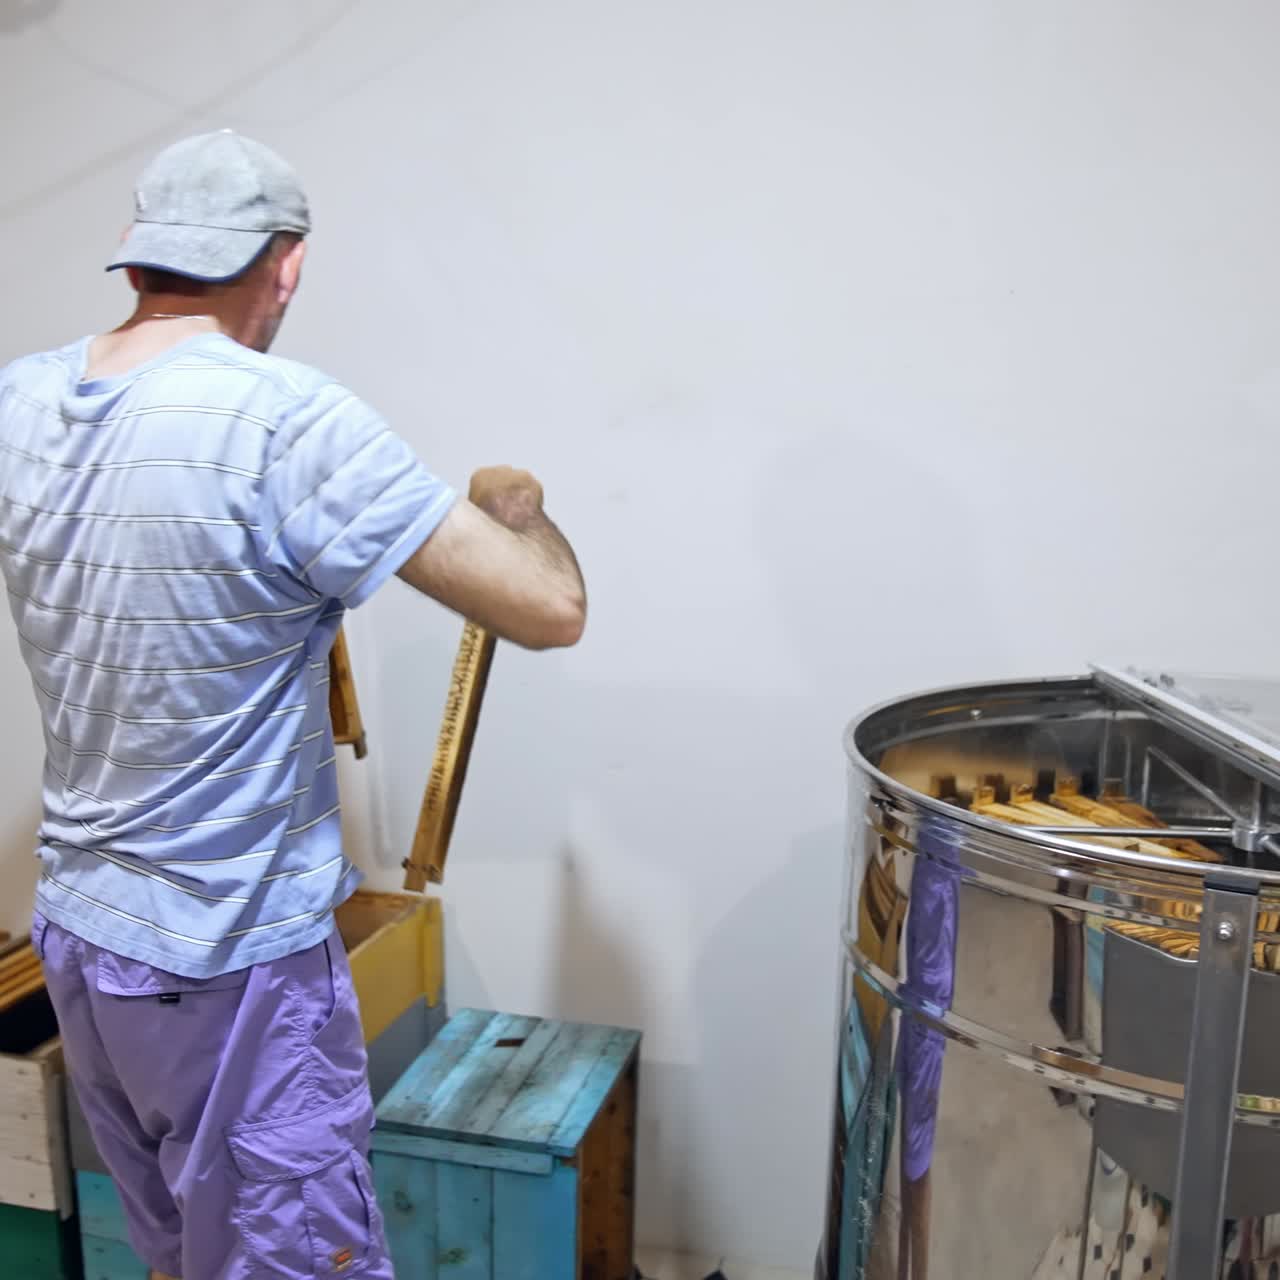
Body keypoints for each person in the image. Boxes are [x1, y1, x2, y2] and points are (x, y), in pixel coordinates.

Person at [0, 130, 586, 1280]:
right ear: (290, 264)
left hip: (84, 938)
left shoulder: (19, 399)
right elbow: (546, 605)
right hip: (230, 970)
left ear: (136, 258)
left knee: (175, 1248)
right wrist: (514, 504)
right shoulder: (282, 417)